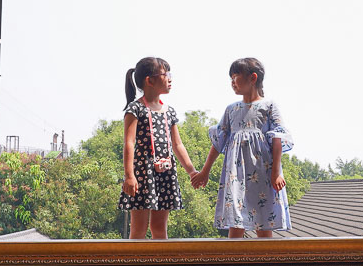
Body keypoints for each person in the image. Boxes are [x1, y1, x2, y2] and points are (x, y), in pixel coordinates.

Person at [191, 57, 292, 237]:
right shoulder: (231, 109)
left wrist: (276, 172)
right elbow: (219, 141)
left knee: (263, 223)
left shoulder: (268, 106)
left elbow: (277, 139)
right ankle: (233, 264)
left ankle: (265, 264)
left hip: (262, 172)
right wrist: (205, 171)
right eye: (230, 78)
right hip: (235, 175)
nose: (232, 83)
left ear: (252, 78)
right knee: (235, 222)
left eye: (235, 77)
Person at [121, 57, 198, 239]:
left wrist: (192, 171)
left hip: (165, 173)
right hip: (142, 174)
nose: (170, 79)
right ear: (150, 80)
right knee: (138, 229)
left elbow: (177, 145)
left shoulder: (169, 111)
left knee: (159, 228)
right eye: (166, 74)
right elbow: (129, 143)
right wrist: (129, 176)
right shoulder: (135, 109)